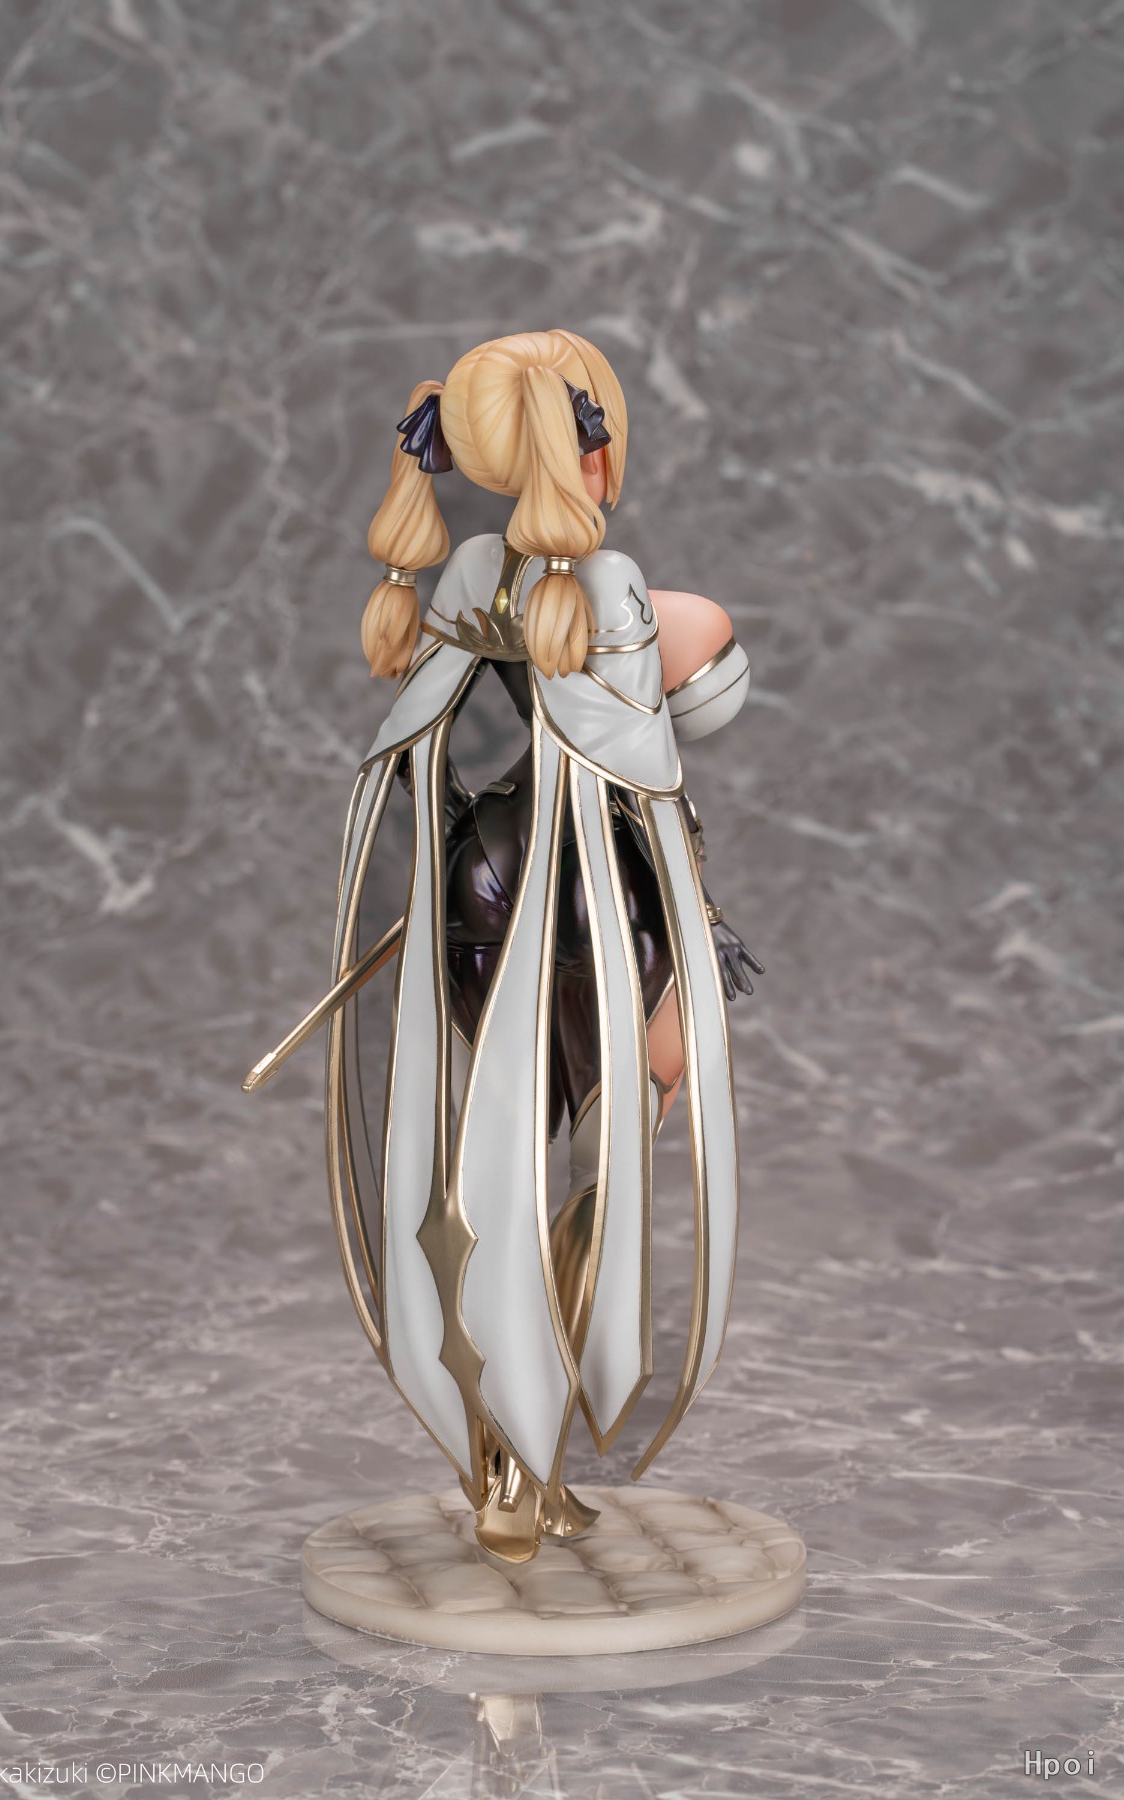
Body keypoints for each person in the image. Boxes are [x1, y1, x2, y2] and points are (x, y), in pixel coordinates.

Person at [326, 329, 761, 1563]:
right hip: (600, 902)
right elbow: (666, 768)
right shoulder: (624, 593)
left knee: (499, 1159)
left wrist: (456, 858)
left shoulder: (471, 571)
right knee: (608, 1151)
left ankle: (510, 1461)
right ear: (596, 450)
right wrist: (699, 923)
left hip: (486, 885)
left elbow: (413, 750)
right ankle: (527, 1450)